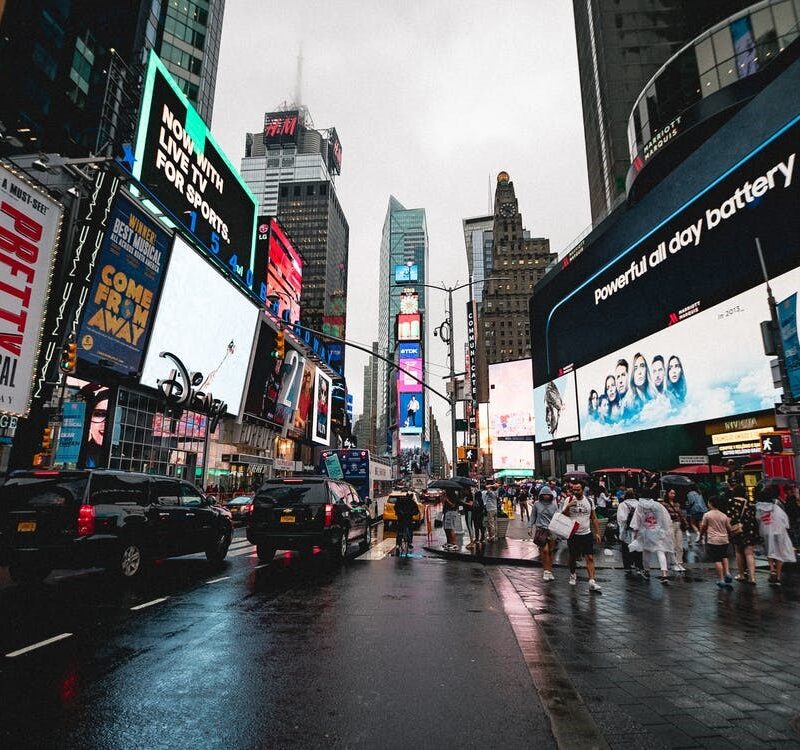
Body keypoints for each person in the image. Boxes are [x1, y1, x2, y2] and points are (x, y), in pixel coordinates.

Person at [560, 480, 602, 593]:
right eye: (574, 490)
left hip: (586, 533)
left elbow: (594, 517)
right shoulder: (568, 500)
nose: (575, 492)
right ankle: (573, 574)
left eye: (578, 489)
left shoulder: (589, 501)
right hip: (573, 534)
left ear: (583, 489)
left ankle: (592, 581)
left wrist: (597, 532)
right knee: (573, 557)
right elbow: (563, 515)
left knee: (590, 557)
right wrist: (568, 506)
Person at [629, 488, 673, 583]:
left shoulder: (640, 506)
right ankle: (664, 574)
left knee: (646, 551)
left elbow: (637, 520)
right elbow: (664, 518)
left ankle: (647, 570)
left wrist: (635, 533)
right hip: (658, 531)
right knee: (660, 551)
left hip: (646, 532)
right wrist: (665, 530)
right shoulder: (658, 505)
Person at [755, 487, 797, 586]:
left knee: (770, 550)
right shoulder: (776, 507)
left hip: (766, 531)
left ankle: (772, 568)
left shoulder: (759, 508)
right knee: (780, 552)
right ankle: (778, 576)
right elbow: (785, 520)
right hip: (779, 531)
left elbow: (758, 519)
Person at [726, 485, 759, 585]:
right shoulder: (749, 503)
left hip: (738, 530)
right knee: (749, 554)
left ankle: (741, 574)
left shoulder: (731, 502)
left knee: (739, 552)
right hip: (749, 529)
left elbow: (729, 517)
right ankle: (752, 577)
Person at [700, 496, 734, 589]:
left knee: (717, 559)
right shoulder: (724, 515)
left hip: (713, 540)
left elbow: (703, 527)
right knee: (724, 556)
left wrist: (701, 535)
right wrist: (729, 536)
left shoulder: (707, 515)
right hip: (724, 539)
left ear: (710, 503)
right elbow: (729, 528)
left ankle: (721, 579)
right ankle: (727, 573)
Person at [528, 485, 558, 581]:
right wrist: (530, 527)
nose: (546, 496)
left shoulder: (554, 505)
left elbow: (557, 517)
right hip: (541, 530)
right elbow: (533, 516)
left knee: (551, 551)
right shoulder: (537, 504)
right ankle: (545, 570)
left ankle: (549, 570)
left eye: (548, 494)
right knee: (544, 550)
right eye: (544, 494)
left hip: (552, 530)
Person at [617, 490, 643, 578]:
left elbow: (621, 518)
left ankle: (628, 566)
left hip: (627, 529)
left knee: (626, 548)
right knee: (638, 548)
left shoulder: (622, 505)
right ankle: (638, 566)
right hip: (638, 530)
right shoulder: (639, 504)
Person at [661, 488, 687, 573]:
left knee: (679, 544)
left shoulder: (677, 504)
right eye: (671, 493)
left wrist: (685, 523)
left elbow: (680, 514)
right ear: (667, 494)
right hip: (670, 524)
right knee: (672, 544)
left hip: (678, 524)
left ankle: (679, 562)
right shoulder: (664, 504)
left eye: (674, 493)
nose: (673, 495)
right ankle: (673, 563)